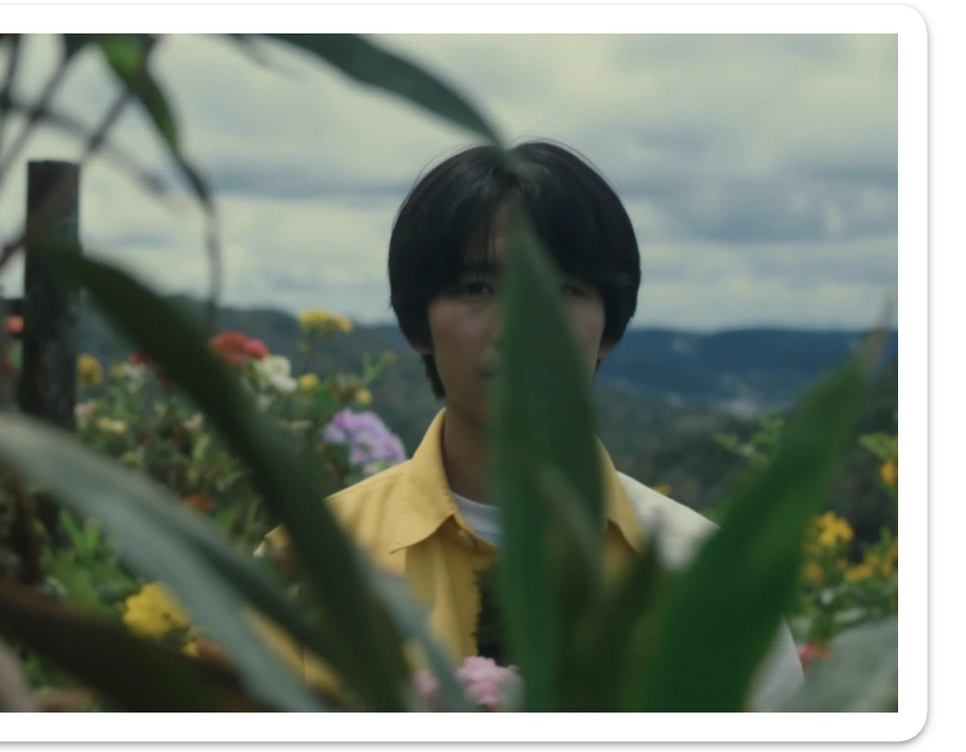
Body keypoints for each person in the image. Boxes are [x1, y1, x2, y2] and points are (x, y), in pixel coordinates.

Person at [254, 141, 804, 711]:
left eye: (563, 289)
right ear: (417, 323)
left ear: (609, 330)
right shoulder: (309, 567)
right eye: (478, 288)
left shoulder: (712, 581)